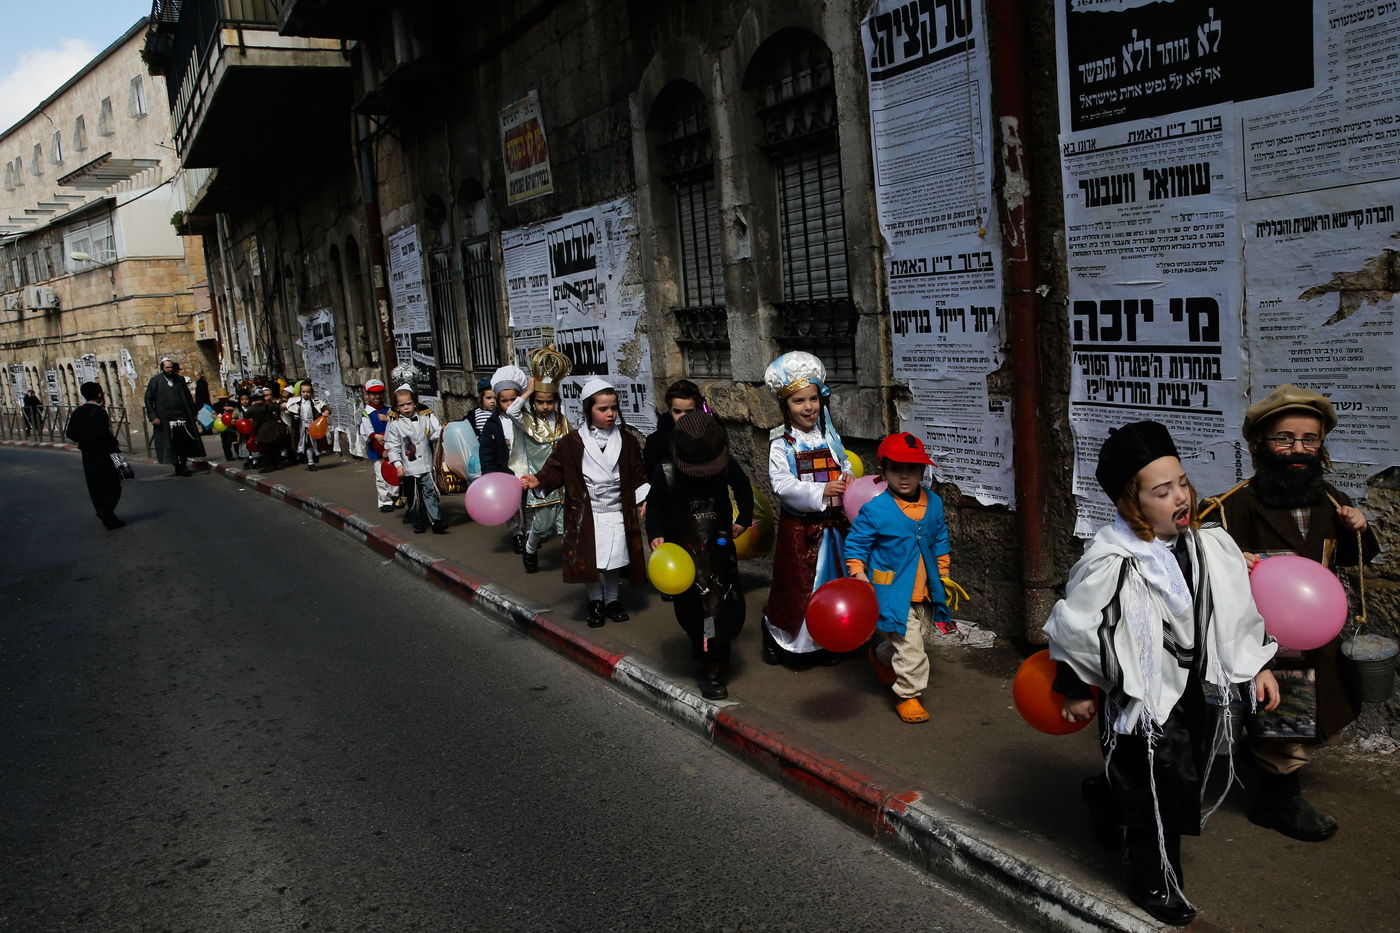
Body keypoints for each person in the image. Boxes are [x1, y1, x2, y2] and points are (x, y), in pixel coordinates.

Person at [1045, 421, 1280, 926]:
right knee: (1156, 778)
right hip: (1136, 695)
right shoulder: (1111, 560)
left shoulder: (1206, 547)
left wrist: (1253, 665)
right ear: (1132, 504)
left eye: (1181, 482)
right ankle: (1155, 876)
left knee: (1180, 767)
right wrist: (1075, 687)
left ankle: (1104, 799)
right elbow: (1077, 627)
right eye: (1161, 491)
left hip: (1191, 686)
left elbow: (1231, 611)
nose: (1180, 496)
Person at [1200, 385, 1379, 842]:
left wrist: (1360, 529)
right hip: (1262, 643)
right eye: (1284, 438)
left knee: (1302, 717)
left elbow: (1356, 558)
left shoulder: (1332, 501)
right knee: (1282, 723)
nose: (1298, 449)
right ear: (1258, 444)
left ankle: (1265, 773)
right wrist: (1224, 558)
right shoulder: (1230, 507)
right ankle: (1277, 803)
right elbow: (1195, 561)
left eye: (1310, 439)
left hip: (1315, 639)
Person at [844, 433, 959, 724]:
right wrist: (859, 574)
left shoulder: (934, 503)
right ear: (883, 472)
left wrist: (943, 573)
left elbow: (940, 538)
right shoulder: (875, 510)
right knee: (911, 647)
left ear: (923, 471)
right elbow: (856, 545)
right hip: (891, 590)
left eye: (912, 469)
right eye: (896, 469)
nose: (904, 476)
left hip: (926, 587)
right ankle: (908, 694)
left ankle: (882, 655)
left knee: (917, 637)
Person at [521, 378, 649, 627]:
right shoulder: (571, 443)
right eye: (603, 409)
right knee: (591, 558)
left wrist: (643, 499)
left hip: (617, 511)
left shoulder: (628, 440)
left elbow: (638, 473)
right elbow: (556, 468)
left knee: (615, 558)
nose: (610, 413)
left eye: (613, 407)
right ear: (588, 410)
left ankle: (612, 599)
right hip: (586, 512)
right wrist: (538, 480)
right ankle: (595, 599)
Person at [646, 411, 753, 699]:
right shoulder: (665, 472)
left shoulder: (726, 465)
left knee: (721, 605)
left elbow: (743, 488)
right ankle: (704, 656)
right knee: (695, 608)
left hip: (719, 549)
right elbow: (654, 507)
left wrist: (743, 518)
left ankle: (715, 664)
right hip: (683, 553)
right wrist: (655, 534)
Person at [760, 351, 851, 667]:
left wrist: (847, 475)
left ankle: (826, 637)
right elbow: (782, 485)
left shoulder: (829, 435)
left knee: (829, 584)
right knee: (797, 587)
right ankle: (787, 642)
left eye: (813, 398)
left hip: (832, 527)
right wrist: (820, 491)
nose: (808, 407)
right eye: (799, 401)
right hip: (801, 530)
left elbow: (845, 462)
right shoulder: (781, 443)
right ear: (785, 404)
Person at [504, 348, 573, 573]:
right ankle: (530, 549)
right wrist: (528, 390)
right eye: (540, 402)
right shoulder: (527, 422)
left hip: (562, 482)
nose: (545, 406)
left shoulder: (563, 421)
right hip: (540, 481)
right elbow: (512, 411)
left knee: (565, 525)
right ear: (533, 402)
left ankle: (572, 560)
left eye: (550, 402)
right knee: (542, 525)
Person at [384, 385, 446, 535]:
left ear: (414, 404)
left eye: (409, 403)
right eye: (402, 405)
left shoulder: (424, 419)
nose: (406, 407)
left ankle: (435, 521)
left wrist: (442, 430)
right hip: (409, 467)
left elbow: (431, 435)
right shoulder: (395, 425)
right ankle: (417, 522)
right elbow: (393, 447)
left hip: (426, 464)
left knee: (430, 493)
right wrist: (398, 465)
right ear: (397, 408)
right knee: (413, 496)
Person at [479, 364, 527, 551]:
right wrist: (488, 474)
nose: (509, 405)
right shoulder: (492, 424)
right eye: (504, 401)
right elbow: (487, 451)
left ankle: (530, 532)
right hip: (504, 471)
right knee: (510, 505)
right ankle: (516, 533)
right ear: (498, 401)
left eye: (513, 400)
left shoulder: (526, 418)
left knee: (528, 503)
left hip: (525, 468)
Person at [65, 382, 125, 530]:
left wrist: (85, 440)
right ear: (99, 394)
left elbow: (70, 433)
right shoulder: (99, 412)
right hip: (105, 453)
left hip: (88, 454)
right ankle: (106, 511)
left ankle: (107, 515)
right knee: (113, 483)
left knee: (95, 485)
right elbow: (105, 434)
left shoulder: (78, 411)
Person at [143, 357, 206, 476]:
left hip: (181, 418)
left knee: (182, 443)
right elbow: (148, 399)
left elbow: (188, 397)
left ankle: (183, 466)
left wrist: (193, 414)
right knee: (170, 444)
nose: (170, 369)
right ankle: (176, 464)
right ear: (162, 368)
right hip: (165, 420)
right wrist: (153, 417)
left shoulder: (180, 380)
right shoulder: (155, 381)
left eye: (171, 367)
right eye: (167, 367)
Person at [643, 379, 705, 477]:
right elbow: (654, 480)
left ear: (697, 410)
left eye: (689, 412)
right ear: (670, 411)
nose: (682, 417)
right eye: (677, 411)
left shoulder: (710, 436)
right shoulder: (655, 442)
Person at [358, 379, 398, 513]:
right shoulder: (366, 413)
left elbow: (397, 423)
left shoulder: (389, 410)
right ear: (367, 395)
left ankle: (395, 495)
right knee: (381, 476)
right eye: (373, 394)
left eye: (380, 393)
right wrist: (375, 436)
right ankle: (384, 501)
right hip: (377, 449)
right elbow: (365, 430)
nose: (377, 396)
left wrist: (388, 419)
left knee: (395, 471)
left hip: (392, 447)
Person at [284, 380, 331, 471]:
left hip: (313, 426)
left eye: (308, 392)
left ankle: (312, 460)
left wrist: (326, 411)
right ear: (300, 392)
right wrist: (286, 409)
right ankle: (309, 461)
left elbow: (324, 407)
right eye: (304, 392)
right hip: (301, 427)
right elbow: (289, 410)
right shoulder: (296, 403)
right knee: (304, 444)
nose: (306, 394)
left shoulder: (315, 402)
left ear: (311, 392)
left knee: (312, 443)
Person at [248, 386, 287, 473]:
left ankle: (268, 466)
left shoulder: (253, 408)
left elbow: (246, 415)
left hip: (261, 432)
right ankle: (278, 464)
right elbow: (277, 407)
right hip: (273, 430)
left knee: (264, 451)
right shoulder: (268, 406)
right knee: (275, 448)